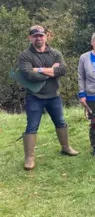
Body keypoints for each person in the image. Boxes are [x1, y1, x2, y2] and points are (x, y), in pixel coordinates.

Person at [18, 25, 78, 170]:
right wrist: (52, 70)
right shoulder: (25, 55)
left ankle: (65, 147)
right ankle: (29, 158)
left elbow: (62, 70)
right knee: (32, 126)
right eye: (35, 36)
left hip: (54, 95)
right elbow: (28, 75)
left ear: (46, 36)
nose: (38, 38)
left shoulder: (55, 53)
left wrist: (38, 69)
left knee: (60, 121)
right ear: (30, 38)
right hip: (34, 97)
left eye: (41, 35)